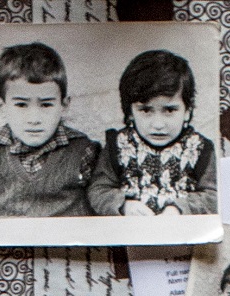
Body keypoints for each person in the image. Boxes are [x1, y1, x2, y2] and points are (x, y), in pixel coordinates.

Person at [0, 40, 99, 219]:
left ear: (64, 105)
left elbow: (101, 206)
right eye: (21, 105)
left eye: (46, 105)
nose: (34, 119)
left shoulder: (84, 150)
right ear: (1, 105)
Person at [86, 48, 219, 218]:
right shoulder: (119, 145)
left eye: (169, 110)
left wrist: (180, 209)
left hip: (182, 235)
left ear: (187, 110)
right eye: (146, 110)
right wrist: (123, 205)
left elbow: (213, 196)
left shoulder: (200, 148)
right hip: (130, 235)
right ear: (130, 112)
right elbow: (99, 190)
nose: (158, 124)